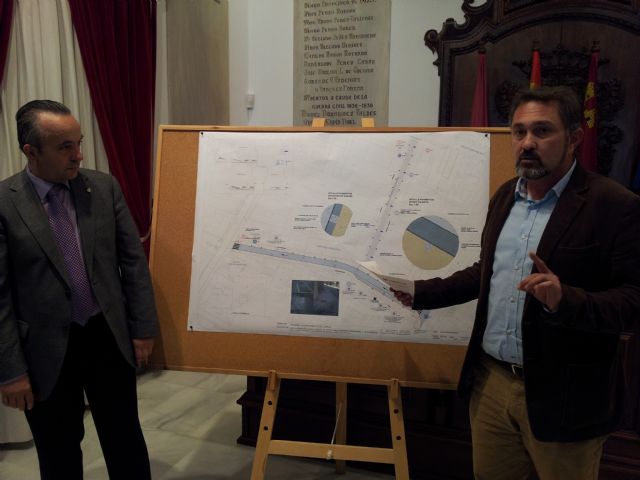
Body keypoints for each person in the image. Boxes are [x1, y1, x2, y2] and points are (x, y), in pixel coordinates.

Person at [394, 86, 640, 479]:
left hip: (566, 396)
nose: (527, 143)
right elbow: (486, 272)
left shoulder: (615, 206)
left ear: (574, 138)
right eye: (519, 131)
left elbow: (632, 302)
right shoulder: (506, 196)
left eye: (542, 131)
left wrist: (565, 299)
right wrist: (420, 292)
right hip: (491, 384)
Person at [0, 100, 159, 479]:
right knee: (59, 452)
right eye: (65, 147)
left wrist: (142, 328)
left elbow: (132, 263)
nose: (78, 155)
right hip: (45, 351)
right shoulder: (5, 204)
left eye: (79, 143)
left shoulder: (102, 188)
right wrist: (11, 372)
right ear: (31, 152)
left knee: (125, 440)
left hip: (107, 336)